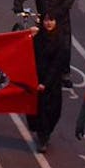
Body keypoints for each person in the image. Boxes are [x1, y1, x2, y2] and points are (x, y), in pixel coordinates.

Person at [26, 15, 68, 152]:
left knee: (54, 111)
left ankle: (45, 133)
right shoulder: (37, 37)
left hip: (52, 83)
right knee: (40, 111)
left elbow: (56, 65)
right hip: (37, 79)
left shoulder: (60, 41)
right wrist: (28, 36)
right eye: (46, 20)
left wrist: (46, 83)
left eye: (52, 19)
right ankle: (42, 137)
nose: (49, 23)